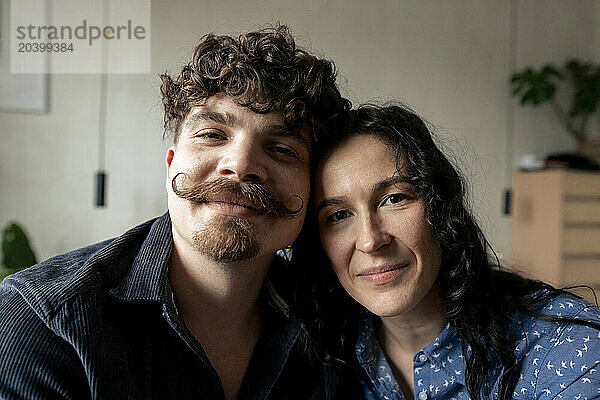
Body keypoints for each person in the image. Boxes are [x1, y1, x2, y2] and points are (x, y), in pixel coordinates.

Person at [0, 25, 352, 399]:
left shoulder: (339, 320)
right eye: (212, 135)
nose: (241, 164)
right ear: (171, 166)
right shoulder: (42, 321)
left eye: (282, 149)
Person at [294, 104, 600, 400]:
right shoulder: (331, 342)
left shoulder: (565, 349)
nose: (370, 241)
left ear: (440, 208)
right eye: (338, 216)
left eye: (395, 198)